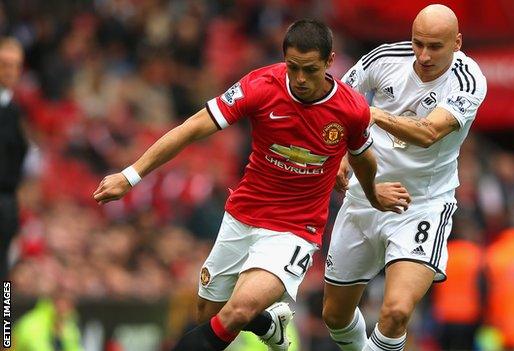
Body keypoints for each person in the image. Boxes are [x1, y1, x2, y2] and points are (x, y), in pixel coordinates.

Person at [93, 19, 410, 351]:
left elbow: (362, 157)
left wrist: (373, 194)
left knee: (236, 311)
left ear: (330, 62)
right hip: (243, 216)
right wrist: (130, 176)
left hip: (295, 230)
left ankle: (252, 317)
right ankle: (267, 323)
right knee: (207, 313)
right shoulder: (261, 85)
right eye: (293, 67)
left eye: (310, 70)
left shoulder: (351, 109)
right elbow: (193, 127)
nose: (300, 79)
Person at [322, 4, 487, 351]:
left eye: (436, 47)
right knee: (335, 316)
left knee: (396, 311)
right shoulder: (384, 58)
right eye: (418, 43)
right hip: (364, 196)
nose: (424, 55)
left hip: (421, 205)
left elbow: (428, 132)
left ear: (457, 43)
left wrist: (373, 114)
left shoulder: (469, 80)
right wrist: (339, 155)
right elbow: (337, 102)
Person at [0, 37, 28, 280]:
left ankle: (4, 319)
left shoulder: (14, 110)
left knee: (4, 276)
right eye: (4, 64)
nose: (10, 71)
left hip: (6, 204)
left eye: (15, 65)